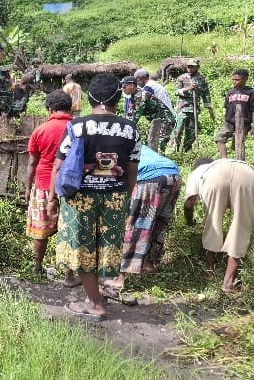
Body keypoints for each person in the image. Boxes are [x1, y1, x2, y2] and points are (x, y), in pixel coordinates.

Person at [48, 74, 141, 321]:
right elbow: (132, 171)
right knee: (105, 248)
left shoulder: (78, 126)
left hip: (81, 199)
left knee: (83, 249)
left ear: (89, 98)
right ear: (118, 98)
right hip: (115, 198)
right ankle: (94, 297)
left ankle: (95, 303)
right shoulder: (131, 129)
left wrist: (51, 199)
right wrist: (126, 201)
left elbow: (59, 166)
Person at [104, 146, 181, 291]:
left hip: (150, 179)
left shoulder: (111, 150)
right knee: (159, 223)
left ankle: (120, 279)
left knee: (136, 226)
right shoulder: (134, 143)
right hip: (174, 177)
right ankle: (148, 264)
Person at [183, 158, 254, 293]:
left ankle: (209, 273)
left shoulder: (198, 172)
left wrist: (189, 221)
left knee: (212, 222)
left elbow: (189, 203)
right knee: (241, 228)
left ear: (196, 166)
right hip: (247, 176)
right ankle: (228, 283)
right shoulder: (223, 163)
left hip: (215, 177)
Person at [24, 90, 77, 286]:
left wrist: (28, 187)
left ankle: (37, 267)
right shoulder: (77, 129)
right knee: (70, 231)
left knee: (41, 230)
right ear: (69, 108)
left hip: (44, 185)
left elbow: (32, 163)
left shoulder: (41, 130)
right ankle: (69, 275)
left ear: (50, 109)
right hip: (72, 188)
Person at [214, 69, 254, 159]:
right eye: (233, 79)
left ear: (245, 79)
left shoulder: (251, 92)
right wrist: (225, 120)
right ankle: (224, 160)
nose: (234, 82)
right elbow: (227, 107)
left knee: (237, 145)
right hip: (229, 122)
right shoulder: (230, 92)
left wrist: (253, 127)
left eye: (237, 80)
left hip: (243, 123)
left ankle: (239, 161)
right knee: (219, 138)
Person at [122, 76, 175, 152]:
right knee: (150, 143)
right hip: (157, 121)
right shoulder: (135, 95)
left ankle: (161, 162)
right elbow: (130, 114)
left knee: (158, 146)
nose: (123, 89)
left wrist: (122, 130)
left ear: (132, 85)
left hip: (165, 120)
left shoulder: (141, 97)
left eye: (124, 86)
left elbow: (134, 118)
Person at [171, 59, 215, 151]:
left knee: (191, 133)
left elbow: (205, 94)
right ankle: (174, 149)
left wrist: (210, 109)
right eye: (188, 67)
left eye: (192, 67)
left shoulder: (202, 79)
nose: (190, 69)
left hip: (194, 109)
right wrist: (188, 88)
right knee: (178, 130)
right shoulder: (182, 78)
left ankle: (186, 150)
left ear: (197, 67)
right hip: (182, 108)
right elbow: (176, 91)